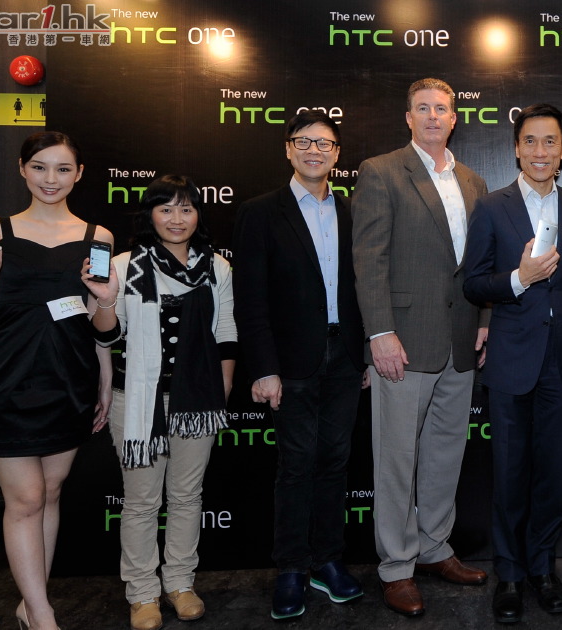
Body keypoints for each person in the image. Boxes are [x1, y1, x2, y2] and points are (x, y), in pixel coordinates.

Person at [0, 131, 116, 630]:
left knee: (49, 493)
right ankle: (43, 616)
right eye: (40, 167)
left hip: (70, 376)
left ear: (79, 174)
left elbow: (97, 320)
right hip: (8, 376)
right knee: (25, 499)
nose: (51, 179)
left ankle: (30, 604)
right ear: (23, 169)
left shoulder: (98, 236)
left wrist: (105, 376)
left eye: (63, 168)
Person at [351, 77, 489, 617]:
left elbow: (479, 264)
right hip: (402, 342)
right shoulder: (381, 171)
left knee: (444, 454)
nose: (433, 116)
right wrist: (379, 333)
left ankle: (433, 547)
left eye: (442, 108)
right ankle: (396, 566)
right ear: (408, 118)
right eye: (423, 108)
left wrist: (484, 321)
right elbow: (370, 260)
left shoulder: (473, 180)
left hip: (460, 341)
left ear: (454, 118)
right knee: (396, 459)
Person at [233, 111, 367, 621]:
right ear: (288, 149)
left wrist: (366, 352)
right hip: (289, 362)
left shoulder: (354, 211)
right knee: (296, 464)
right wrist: (263, 368)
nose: (315, 150)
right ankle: (290, 567)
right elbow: (250, 299)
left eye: (325, 143)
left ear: (337, 155)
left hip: (346, 356)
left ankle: (327, 561)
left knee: (335, 461)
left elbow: (367, 285)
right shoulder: (260, 212)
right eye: (304, 142)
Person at [87, 175, 236, 630]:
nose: (176, 218)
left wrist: (221, 393)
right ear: (149, 214)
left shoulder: (216, 267)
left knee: (188, 496)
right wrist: (105, 300)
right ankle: (142, 592)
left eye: (186, 208)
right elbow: (106, 335)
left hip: (198, 401)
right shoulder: (124, 265)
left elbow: (225, 333)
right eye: (166, 208)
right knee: (141, 502)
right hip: (137, 399)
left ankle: (180, 583)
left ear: (198, 215)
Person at [462, 103, 562, 624]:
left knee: (551, 474)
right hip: (511, 361)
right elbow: (473, 283)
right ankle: (510, 574)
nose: (541, 151)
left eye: (550, 142)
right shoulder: (492, 207)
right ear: (517, 148)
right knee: (510, 474)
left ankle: (543, 569)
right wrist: (519, 279)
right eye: (531, 141)